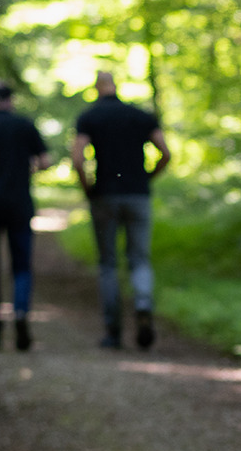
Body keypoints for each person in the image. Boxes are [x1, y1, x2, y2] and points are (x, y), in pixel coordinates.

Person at [71, 70, 171, 350]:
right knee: (140, 258)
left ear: (96, 88)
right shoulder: (141, 116)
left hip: (105, 195)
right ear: (115, 86)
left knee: (108, 264)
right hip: (138, 194)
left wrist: (87, 188)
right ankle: (142, 304)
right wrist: (148, 178)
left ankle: (113, 331)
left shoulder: (89, 117)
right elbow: (166, 153)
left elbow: (78, 159)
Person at [0, 80, 51, 351]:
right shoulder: (24, 125)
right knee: (21, 265)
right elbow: (45, 161)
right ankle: (22, 314)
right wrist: (28, 171)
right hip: (19, 203)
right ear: (10, 100)